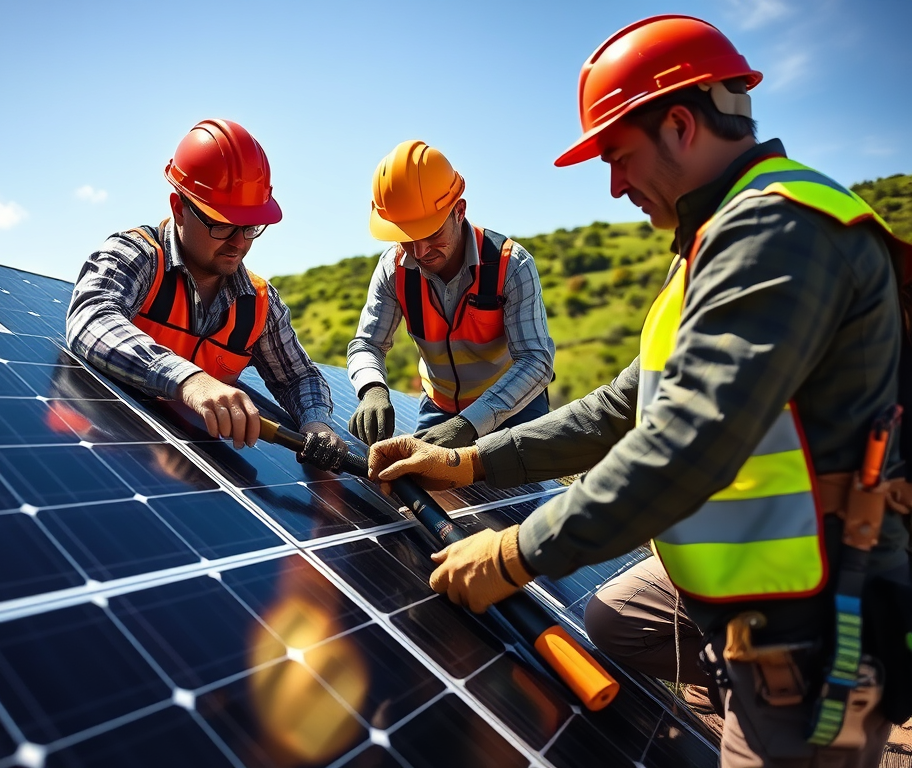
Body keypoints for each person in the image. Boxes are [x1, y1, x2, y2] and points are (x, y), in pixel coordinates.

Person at [367, 15, 912, 768]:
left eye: (618, 157)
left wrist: (516, 552)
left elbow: (687, 440)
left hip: (811, 610)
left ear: (681, 126)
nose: (615, 185)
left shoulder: (779, 231)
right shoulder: (711, 239)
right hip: (735, 579)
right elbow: (620, 407)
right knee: (617, 620)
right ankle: (727, 701)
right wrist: (470, 463)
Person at [67, 119, 347, 472]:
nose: (240, 242)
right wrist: (189, 380)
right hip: (93, 458)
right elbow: (90, 318)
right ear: (179, 207)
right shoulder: (136, 255)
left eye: (251, 227)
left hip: (184, 479)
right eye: (223, 224)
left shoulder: (259, 303)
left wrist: (315, 423)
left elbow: (298, 377)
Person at [346, 140, 555, 449]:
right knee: (425, 489)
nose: (419, 251)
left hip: (515, 405)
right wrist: (372, 388)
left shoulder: (511, 265)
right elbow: (366, 344)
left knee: (517, 491)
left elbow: (536, 360)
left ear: (459, 210)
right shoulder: (394, 269)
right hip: (439, 408)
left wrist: (470, 423)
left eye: (431, 233)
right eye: (406, 238)